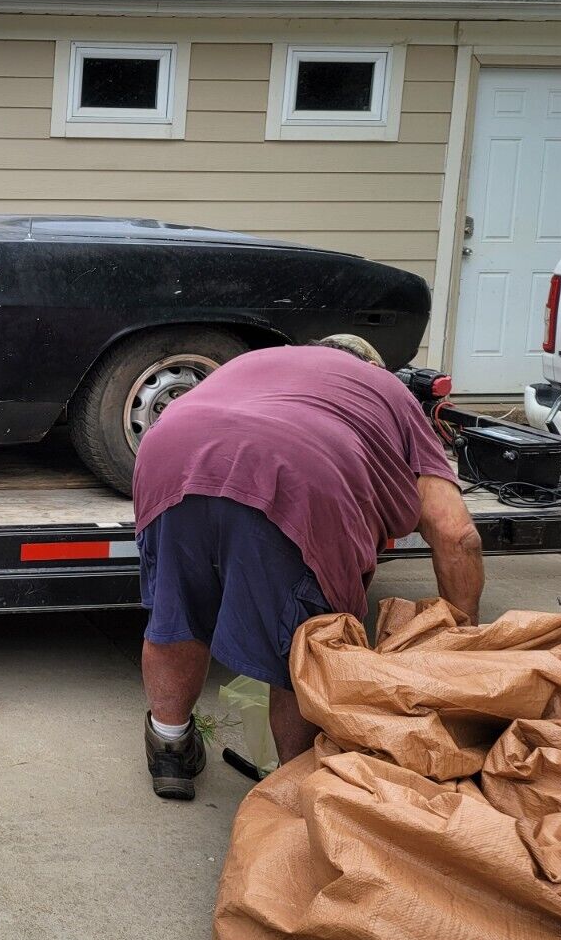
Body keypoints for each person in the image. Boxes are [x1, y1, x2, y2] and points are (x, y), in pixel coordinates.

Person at [131, 335, 484, 800]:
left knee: (178, 609)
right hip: (296, 472)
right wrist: (466, 646)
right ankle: (293, 786)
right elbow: (456, 534)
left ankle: (170, 748)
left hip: (170, 453)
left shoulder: (255, 360)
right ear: (370, 366)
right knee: (305, 643)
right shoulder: (388, 390)